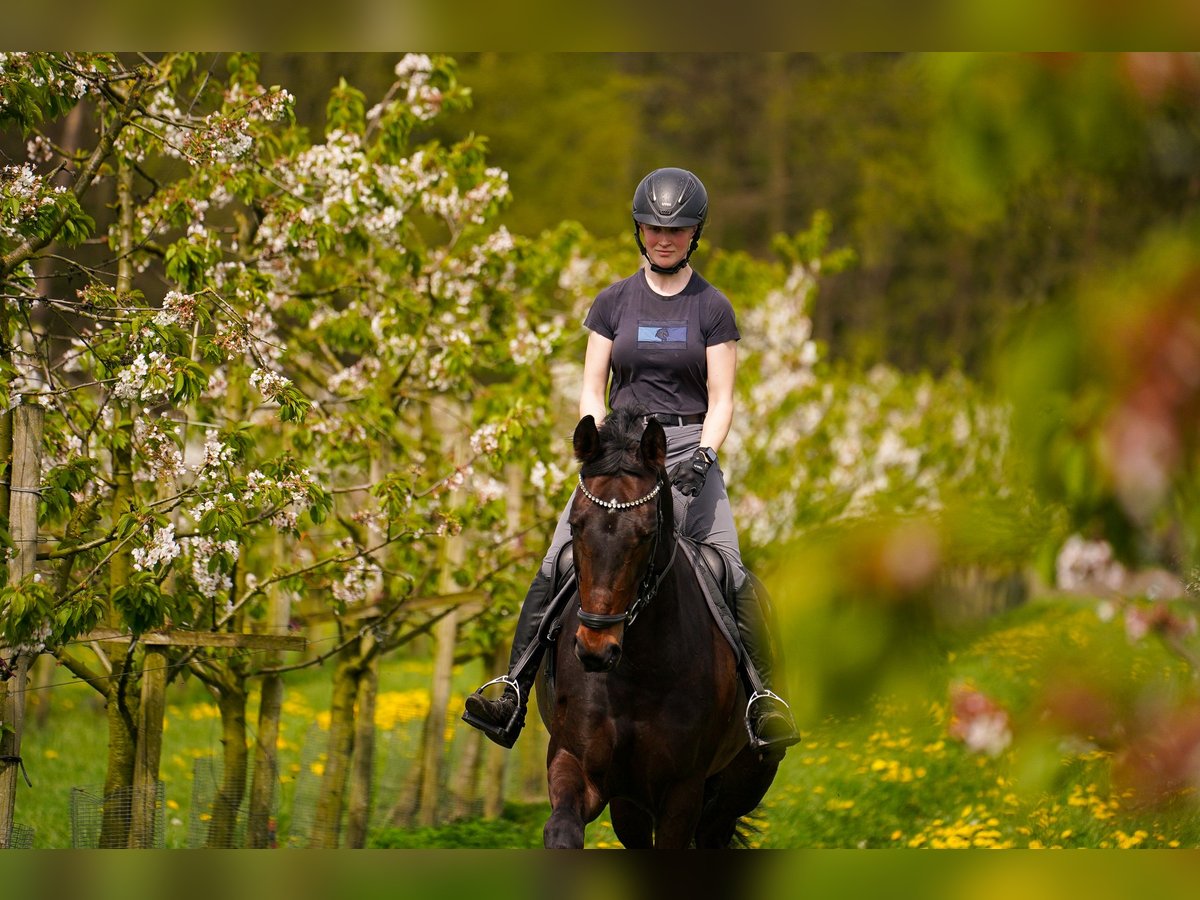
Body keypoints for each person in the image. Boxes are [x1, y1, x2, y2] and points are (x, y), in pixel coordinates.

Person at [463, 167, 799, 759]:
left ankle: (763, 698)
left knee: (729, 571)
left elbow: (722, 398)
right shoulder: (612, 302)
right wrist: (598, 446)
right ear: (639, 230)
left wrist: (705, 456)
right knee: (558, 561)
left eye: (677, 229)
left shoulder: (713, 307)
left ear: (695, 234)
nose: (664, 239)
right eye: (653, 228)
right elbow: (592, 387)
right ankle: (512, 687)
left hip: (688, 449)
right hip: (620, 450)